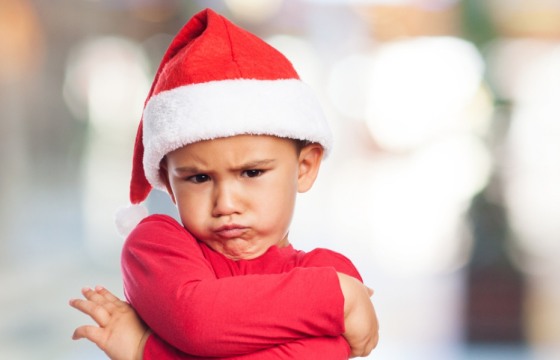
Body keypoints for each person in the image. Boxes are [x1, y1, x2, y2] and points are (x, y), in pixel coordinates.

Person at [69, 8, 378, 360]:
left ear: (304, 167)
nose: (225, 203)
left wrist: (149, 350)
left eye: (251, 173)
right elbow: (197, 320)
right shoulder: (156, 247)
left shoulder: (330, 271)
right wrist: (334, 299)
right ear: (169, 184)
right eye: (199, 178)